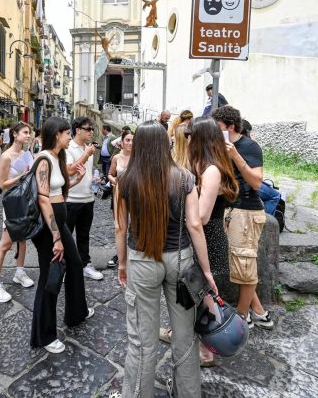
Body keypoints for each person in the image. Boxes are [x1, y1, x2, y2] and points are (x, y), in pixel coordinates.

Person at [115, 121, 218, 397]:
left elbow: (120, 228)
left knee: (141, 341)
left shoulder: (125, 180)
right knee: (185, 338)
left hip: (142, 260)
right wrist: (206, 272)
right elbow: (195, 225)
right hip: (180, 262)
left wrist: (122, 264)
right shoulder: (184, 178)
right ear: (165, 144)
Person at [30, 117, 93, 354]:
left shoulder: (59, 158)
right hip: (49, 225)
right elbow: (43, 199)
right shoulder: (43, 159)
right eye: (67, 133)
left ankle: (76, 313)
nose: (70, 137)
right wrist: (56, 237)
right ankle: (44, 335)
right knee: (51, 275)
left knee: (75, 264)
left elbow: (59, 191)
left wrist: (75, 178)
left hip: (59, 219)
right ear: (57, 134)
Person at [212, 105, 274, 330]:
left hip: (247, 211)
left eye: (218, 127)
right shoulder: (218, 145)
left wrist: (235, 155)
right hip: (228, 210)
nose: (215, 132)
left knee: (244, 264)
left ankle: (242, 315)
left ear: (230, 126)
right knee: (239, 263)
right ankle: (259, 312)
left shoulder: (249, 146)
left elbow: (257, 182)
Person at [186, 117, 240, 366]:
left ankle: (206, 352)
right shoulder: (205, 166)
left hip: (208, 239)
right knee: (192, 294)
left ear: (201, 139)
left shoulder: (211, 171)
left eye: (191, 135)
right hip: (204, 238)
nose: (187, 140)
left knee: (204, 298)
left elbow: (203, 215)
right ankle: (185, 336)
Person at [0, 122, 36, 303]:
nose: (28, 135)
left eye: (29, 132)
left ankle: (19, 272)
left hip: (25, 201)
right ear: (15, 134)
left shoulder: (26, 153)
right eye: (25, 132)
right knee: (5, 244)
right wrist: (21, 177)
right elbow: (2, 185)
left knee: (22, 241)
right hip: (12, 203)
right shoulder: (6, 156)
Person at [65, 117, 103, 281]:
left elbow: (84, 172)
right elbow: (70, 170)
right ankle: (65, 267)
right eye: (88, 129)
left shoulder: (88, 148)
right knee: (66, 236)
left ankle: (85, 264)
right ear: (77, 130)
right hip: (71, 200)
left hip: (88, 199)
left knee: (84, 234)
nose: (91, 132)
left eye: (92, 129)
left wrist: (93, 180)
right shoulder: (68, 148)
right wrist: (86, 155)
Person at [106, 129, 133, 269]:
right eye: (127, 140)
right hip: (119, 195)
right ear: (122, 142)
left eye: (133, 140)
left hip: (134, 196)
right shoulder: (116, 157)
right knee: (120, 228)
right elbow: (109, 174)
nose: (130, 143)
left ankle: (132, 255)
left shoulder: (138, 157)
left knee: (134, 227)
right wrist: (114, 180)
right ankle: (120, 256)